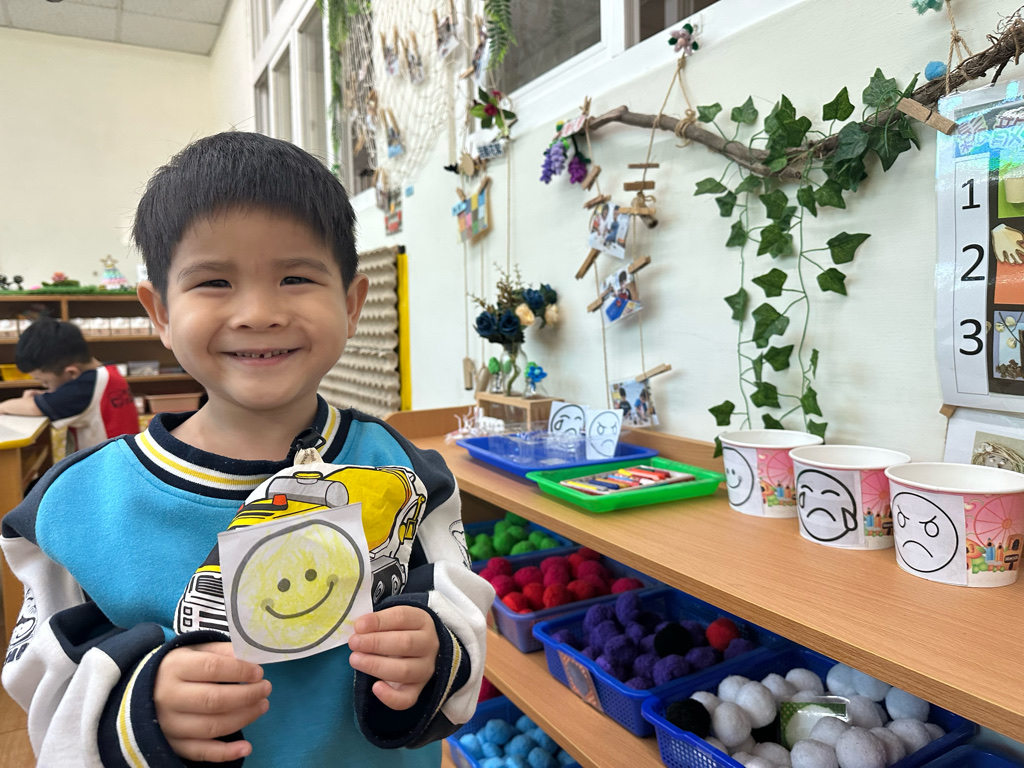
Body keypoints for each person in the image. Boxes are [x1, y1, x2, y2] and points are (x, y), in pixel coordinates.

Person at [1, 132, 493, 767]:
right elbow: (39, 684)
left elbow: (459, 598)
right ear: (160, 312)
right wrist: (138, 708)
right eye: (214, 281)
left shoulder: (405, 470)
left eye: (295, 277)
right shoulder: (75, 508)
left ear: (350, 305)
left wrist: (435, 647)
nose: (259, 313)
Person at [0, 318, 139, 450]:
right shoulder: (107, 373)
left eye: (45, 381)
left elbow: (33, 408)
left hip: (106, 463)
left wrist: (3, 406)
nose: (45, 386)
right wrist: (47, 395)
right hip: (125, 457)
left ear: (72, 373)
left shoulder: (84, 389)